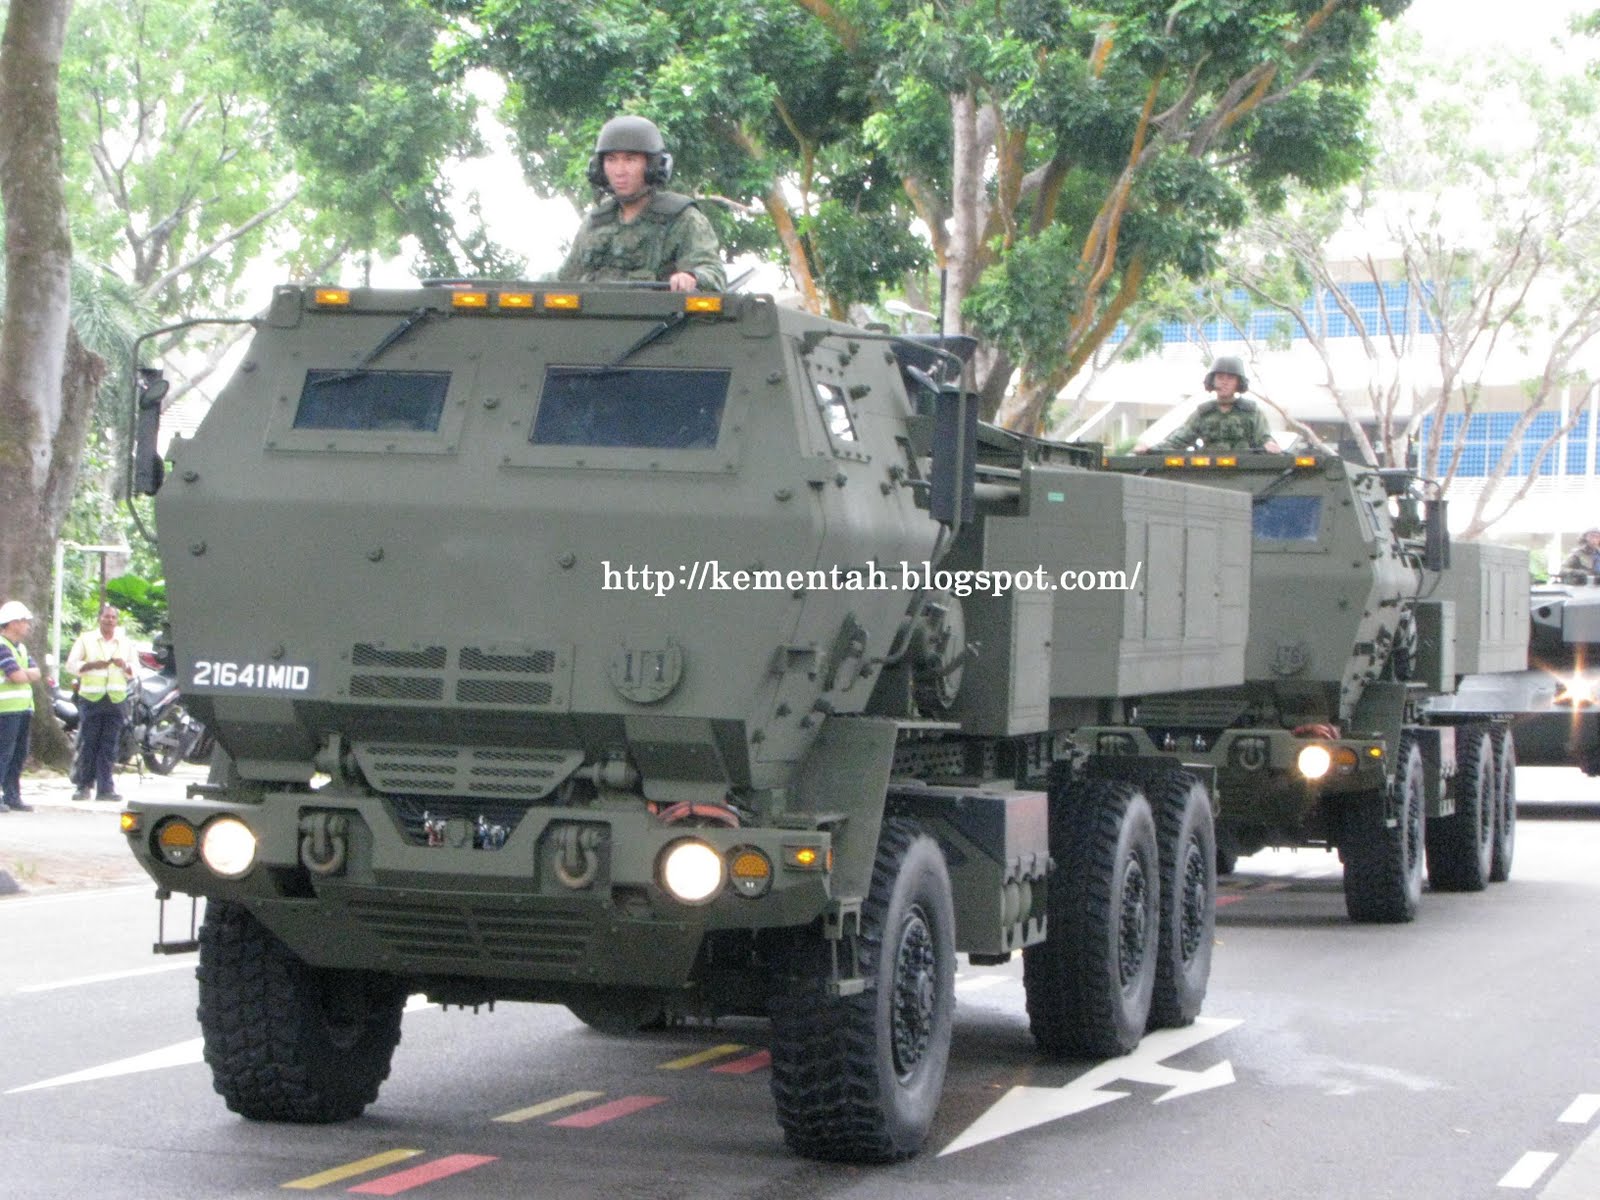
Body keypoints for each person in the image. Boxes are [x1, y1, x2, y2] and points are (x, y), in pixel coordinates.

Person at [556, 116, 726, 293]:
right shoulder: (596, 221)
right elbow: (565, 281)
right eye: (611, 160)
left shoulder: (682, 219)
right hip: (593, 319)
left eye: (630, 160)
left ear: (653, 166)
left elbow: (713, 273)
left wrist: (691, 277)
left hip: (659, 318)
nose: (620, 171)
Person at [1134, 355, 1283, 454]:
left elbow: (1263, 437)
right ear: (1212, 380)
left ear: (1239, 382)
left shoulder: (1251, 411)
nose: (1224, 382)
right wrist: (1151, 449)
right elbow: (1179, 440)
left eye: (1230, 378)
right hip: (1209, 471)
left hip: (1244, 470)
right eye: (1220, 377)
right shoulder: (1204, 413)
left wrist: (1269, 445)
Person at [65, 603, 137, 802]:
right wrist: (90, 665)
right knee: (88, 742)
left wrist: (125, 666)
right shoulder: (86, 639)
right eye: (106, 617)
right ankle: (83, 786)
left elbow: (135, 671)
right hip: (91, 699)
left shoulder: (124, 643)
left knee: (109, 745)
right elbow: (71, 665)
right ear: (100, 619)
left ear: (117, 621)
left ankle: (105, 788)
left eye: (113, 617)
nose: (109, 620)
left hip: (116, 700)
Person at [0, 599, 42, 813]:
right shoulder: (1, 647)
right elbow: (15, 675)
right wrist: (24, 675)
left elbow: (36, 673)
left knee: (18, 753)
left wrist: (23, 675)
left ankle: (12, 795)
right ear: (12, 623)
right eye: (24, 621)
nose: (27, 625)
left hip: (23, 708)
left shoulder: (22, 649)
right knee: (3, 753)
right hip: (5, 711)